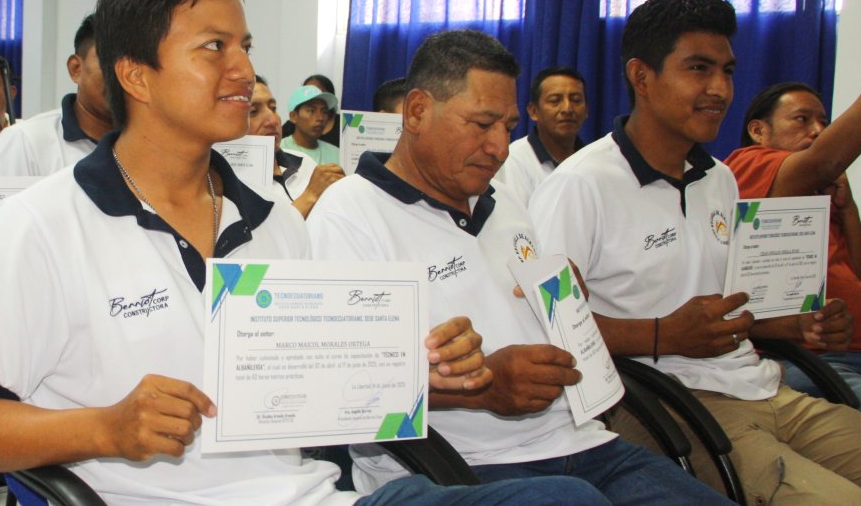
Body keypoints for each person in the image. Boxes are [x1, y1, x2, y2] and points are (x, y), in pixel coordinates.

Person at [0, 0, 609, 506]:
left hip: (315, 495)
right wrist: (105, 426)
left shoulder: (272, 218)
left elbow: (311, 395)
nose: (244, 70)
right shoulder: (42, 225)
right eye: (213, 48)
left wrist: (404, 371)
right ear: (136, 75)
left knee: (571, 498)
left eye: (244, 46)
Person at [529, 0, 861, 505]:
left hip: (765, 387)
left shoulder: (718, 180)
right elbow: (549, 328)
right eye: (699, 69)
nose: (719, 88)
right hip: (668, 402)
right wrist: (663, 335)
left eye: (726, 70)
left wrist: (792, 325)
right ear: (641, 76)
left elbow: (729, 308)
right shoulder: (579, 186)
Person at [307, 30, 731, 504]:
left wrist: (565, 310)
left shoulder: (504, 201)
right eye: (482, 123)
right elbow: (341, 387)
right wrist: (482, 386)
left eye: (507, 126)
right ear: (418, 111)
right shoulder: (350, 214)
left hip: (579, 442)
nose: (500, 147)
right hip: (456, 464)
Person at [723, 0, 861, 455]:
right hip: (808, 362)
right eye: (802, 119)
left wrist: (849, 209)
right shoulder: (750, 165)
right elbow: (826, 157)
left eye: (823, 120)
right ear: (759, 130)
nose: (817, 129)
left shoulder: (819, 192)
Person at [0, 14, 113, 176]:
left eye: (135, 66)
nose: (122, 76)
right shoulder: (25, 141)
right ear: (76, 69)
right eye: (110, 63)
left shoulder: (146, 144)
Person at [249, 75, 344, 218]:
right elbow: (265, 235)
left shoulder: (305, 163)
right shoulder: (226, 180)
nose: (273, 120)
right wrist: (310, 194)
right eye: (253, 111)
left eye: (273, 108)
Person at [497, 67, 588, 205]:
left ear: (587, 110)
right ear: (533, 111)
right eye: (555, 100)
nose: (567, 109)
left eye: (576, 100)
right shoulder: (515, 160)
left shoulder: (591, 159)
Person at [281, 84, 341, 165]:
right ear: (294, 116)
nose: (320, 118)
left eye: (324, 112)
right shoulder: (280, 151)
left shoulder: (336, 154)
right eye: (311, 111)